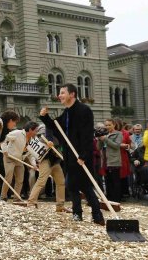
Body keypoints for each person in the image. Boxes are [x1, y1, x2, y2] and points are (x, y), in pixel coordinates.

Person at [40, 84, 105, 224]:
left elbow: (87, 135)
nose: (59, 95)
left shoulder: (84, 110)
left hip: (81, 156)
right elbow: (56, 127)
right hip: (70, 155)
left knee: (85, 186)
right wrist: (45, 118)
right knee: (72, 185)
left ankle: (97, 215)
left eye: (62, 92)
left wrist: (83, 155)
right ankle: (78, 214)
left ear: (72, 94)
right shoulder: (67, 112)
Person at [25, 122, 66, 211]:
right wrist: (49, 142)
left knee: (61, 182)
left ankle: (60, 205)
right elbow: (42, 139)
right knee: (41, 182)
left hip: (55, 161)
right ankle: (31, 202)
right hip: (45, 160)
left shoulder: (61, 131)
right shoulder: (45, 129)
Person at [100, 118, 124, 203]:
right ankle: (109, 199)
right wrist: (100, 139)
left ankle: (116, 199)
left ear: (114, 125)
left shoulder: (118, 134)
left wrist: (105, 139)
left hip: (114, 160)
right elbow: (98, 147)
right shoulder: (104, 134)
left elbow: (117, 146)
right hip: (105, 160)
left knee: (115, 181)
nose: (107, 127)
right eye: (106, 125)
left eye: (109, 125)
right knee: (107, 180)